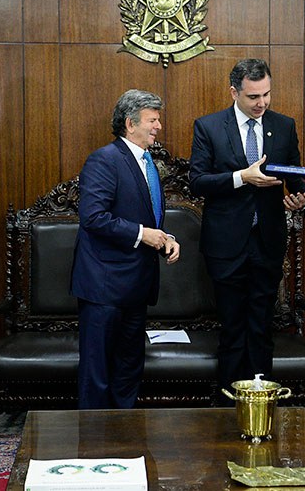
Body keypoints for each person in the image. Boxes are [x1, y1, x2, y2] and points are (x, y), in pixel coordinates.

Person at [189, 58, 305, 393]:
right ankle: (230, 408)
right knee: (232, 328)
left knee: (261, 326)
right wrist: (242, 177)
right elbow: (197, 182)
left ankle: (261, 404)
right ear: (234, 92)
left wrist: (299, 197)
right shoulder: (209, 126)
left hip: (267, 242)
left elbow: (295, 179)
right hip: (226, 245)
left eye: (267, 95)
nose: (262, 103)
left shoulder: (283, 126)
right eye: (254, 97)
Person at [71, 89, 180, 409]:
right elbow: (93, 218)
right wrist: (143, 234)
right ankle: (92, 447)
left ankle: (123, 437)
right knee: (98, 372)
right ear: (130, 124)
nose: (159, 126)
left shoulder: (148, 162)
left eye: (158, 119)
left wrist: (165, 239)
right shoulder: (104, 159)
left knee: (128, 370)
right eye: (152, 120)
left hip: (136, 285)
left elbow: (145, 217)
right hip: (103, 286)